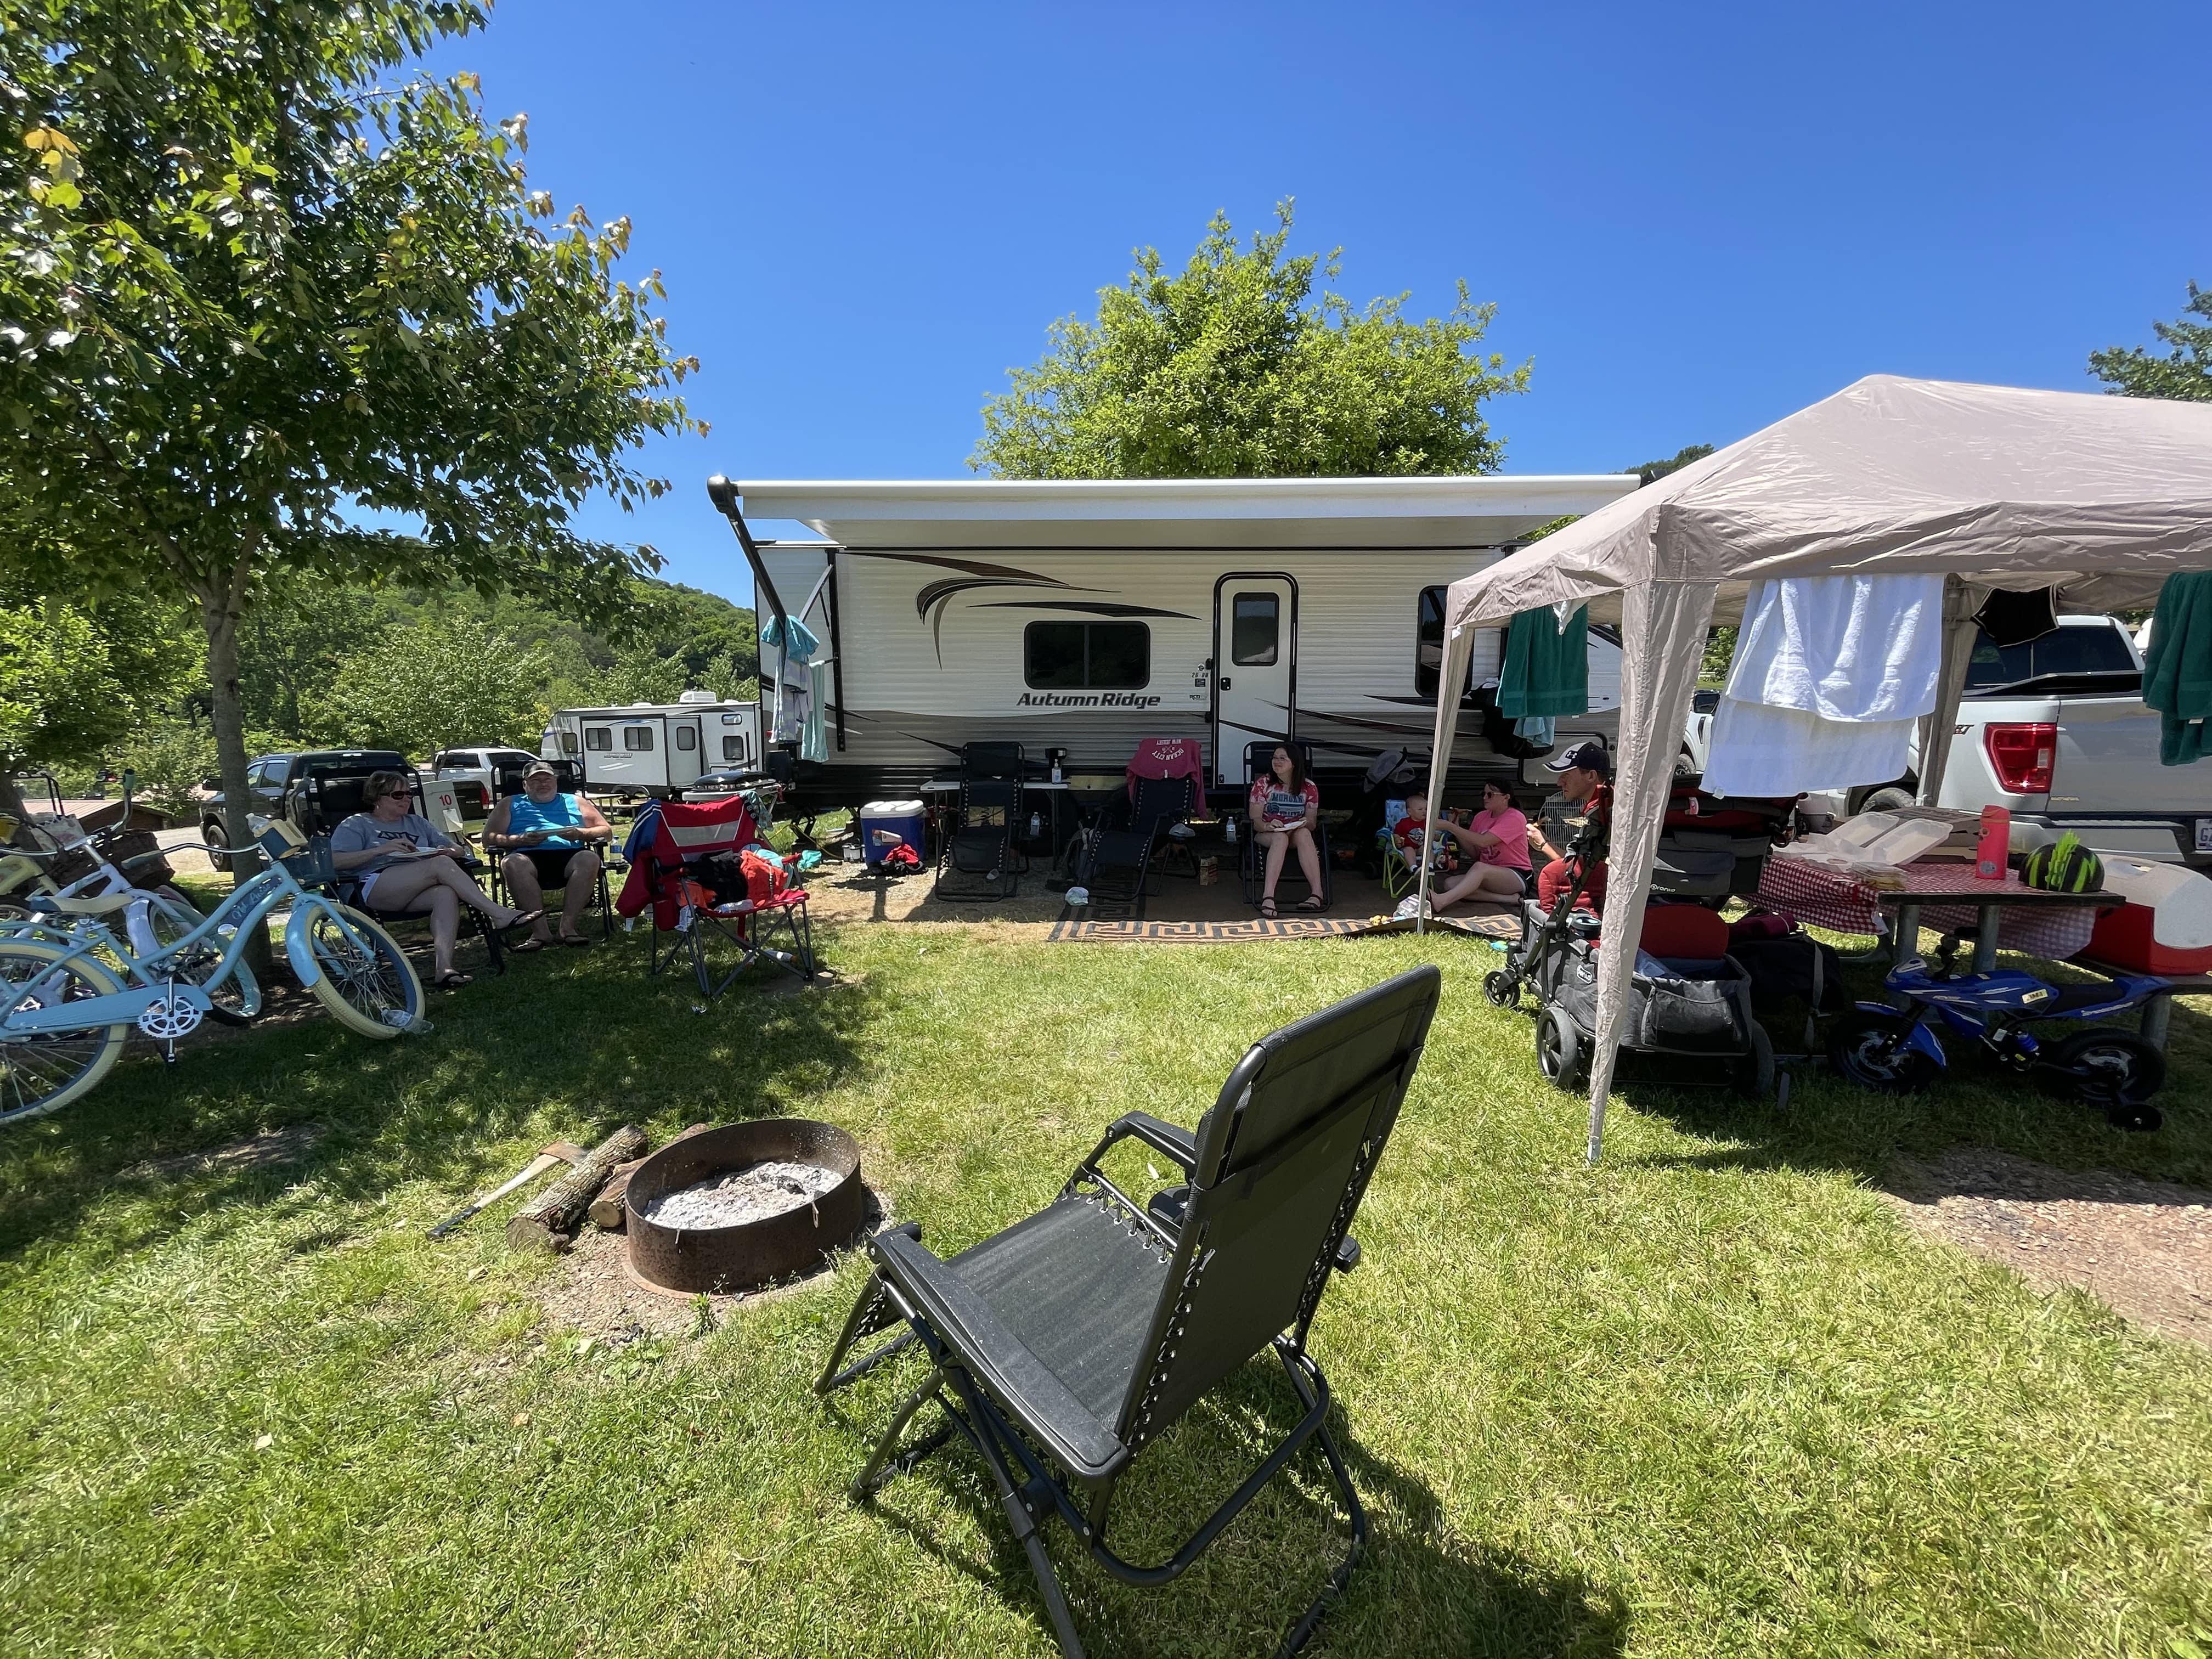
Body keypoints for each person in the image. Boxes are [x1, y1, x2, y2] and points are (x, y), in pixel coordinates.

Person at [329, 771, 537, 989]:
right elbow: (335, 862)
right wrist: (381, 850)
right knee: (440, 866)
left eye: (410, 794)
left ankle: (445, 969)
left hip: (414, 886)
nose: (407, 799)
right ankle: (499, 914)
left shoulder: (416, 822)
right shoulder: (357, 824)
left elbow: (457, 849)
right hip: (372, 887)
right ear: (377, 797)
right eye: (398, 795)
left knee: (445, 893)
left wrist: (446, 851)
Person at [485, 761, 614, 948]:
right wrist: (518, 840)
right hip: (527, 856)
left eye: (547, 779)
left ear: (556, 781)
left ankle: (567, 929)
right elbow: (489, 838)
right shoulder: (511, 803)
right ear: (525, 784)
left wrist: (580, 834)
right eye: (535, 780)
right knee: (512, 862)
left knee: (590, 858)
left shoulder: (575, 801)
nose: (543, 783)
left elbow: (606, 831)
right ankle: (540, 932)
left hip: (570, 855)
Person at [1409, 780, 1534, 910]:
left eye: (1490, 794)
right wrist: (1456, 827)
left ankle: (1441, 902)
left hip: (1517, 875)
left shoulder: (1515, 817)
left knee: (1479, 868)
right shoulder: (1481, 817)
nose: (1485, 798)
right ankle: (1510, 899)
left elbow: (1483, 841)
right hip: (1490, 873)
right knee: (1450, 884)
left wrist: (1451, 827)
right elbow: (1476, 853)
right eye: (1483, 794)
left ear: (1506, 797)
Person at [1531, 741, 1613, 912]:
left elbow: (1584, 871)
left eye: (1566, 775)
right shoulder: (1605, 804)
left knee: (1551, 876)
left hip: (1608, 899)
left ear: (1591, 776)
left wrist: (1543, 845)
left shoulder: (1606, 811)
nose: (1559, 783)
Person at [1249, 743, 1325, 916]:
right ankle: (1268, 897)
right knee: (1280, 838)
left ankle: (1317, 894)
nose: (1277, 762)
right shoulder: (1263, 784)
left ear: (1294, 763)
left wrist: (1305, 822)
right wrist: (1269, 825)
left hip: (1296, 832)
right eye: (1275, 758)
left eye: (1283, 758)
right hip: (1268, 833)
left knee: (1305, 833)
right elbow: (1255, 821)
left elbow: (1312, 823)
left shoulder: (1309, 788)